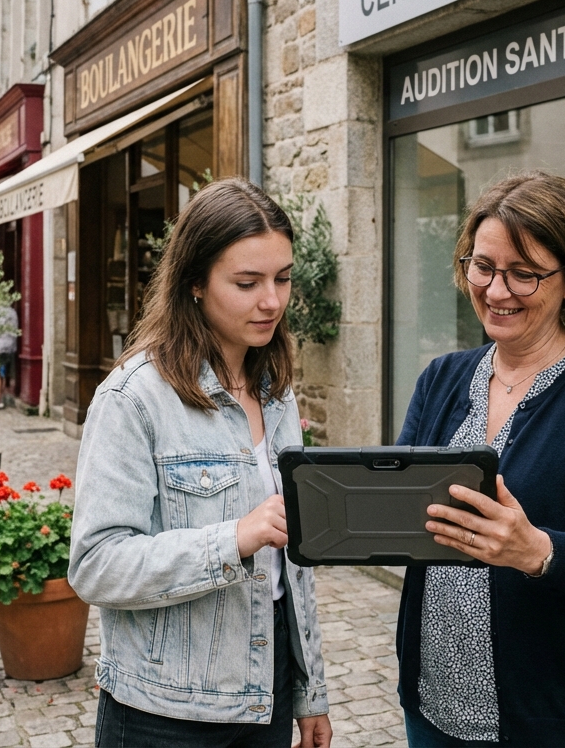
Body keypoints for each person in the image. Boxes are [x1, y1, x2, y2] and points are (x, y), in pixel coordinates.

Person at [394, 172, 565, 748]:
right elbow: (405, 511)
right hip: (436, 705)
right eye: (483, 266)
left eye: (524, 274)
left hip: (560, 716)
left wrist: (538, 552)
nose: (496, 290)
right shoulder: (441, 379)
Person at [69, 178, 332, 748]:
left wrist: (309, 692)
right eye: (247, 282)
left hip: (267, 693)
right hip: (165, 713)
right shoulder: (134, 398)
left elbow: (292, 568)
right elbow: (96, 565)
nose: (272, 301)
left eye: (282, 279)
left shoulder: (275, 390)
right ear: (194, 283)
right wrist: (233, 538)